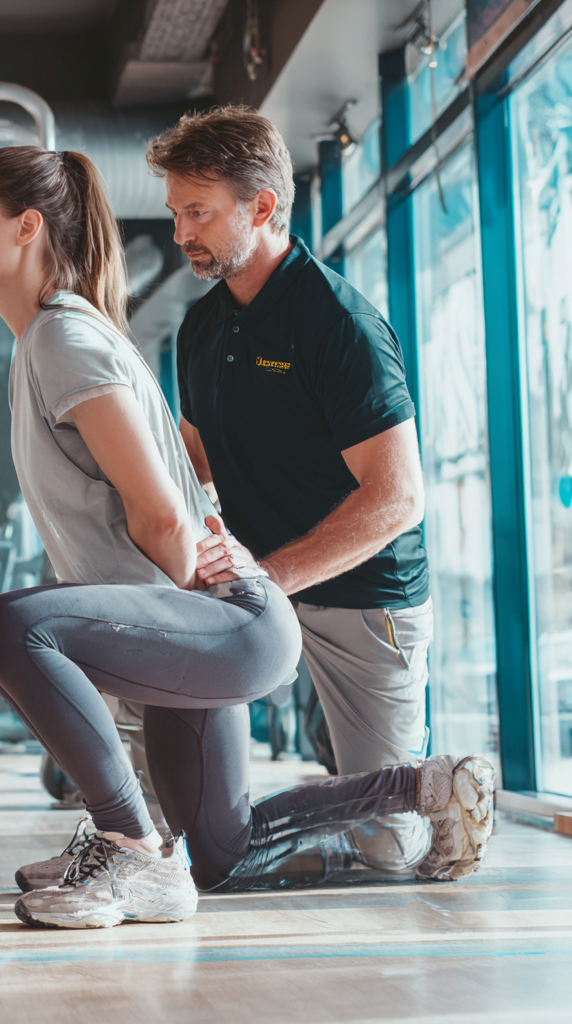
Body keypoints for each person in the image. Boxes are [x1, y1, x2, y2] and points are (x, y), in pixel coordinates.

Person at [0, 145, 495, 930]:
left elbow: (163, 514)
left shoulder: (65, 338)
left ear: (27, 228)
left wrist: (221, 613)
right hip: (212, 615)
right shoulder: (74, 337)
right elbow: (185, 470)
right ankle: (423, 787)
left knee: (9, 626)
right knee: (222, 854)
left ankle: (130, 849)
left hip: (251, 610)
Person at [146, 104, 450, 875]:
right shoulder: (202, 329)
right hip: (259, 587)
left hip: (361, 595)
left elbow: (398, 497)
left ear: (262, 207)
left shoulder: (339, 323)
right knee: (181, 804)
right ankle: (190, 842)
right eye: (177, 213)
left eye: (198, 212)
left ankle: (427, 795)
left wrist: (268, 577)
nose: (181, 233)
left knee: (390, 847)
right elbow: (196, 458)